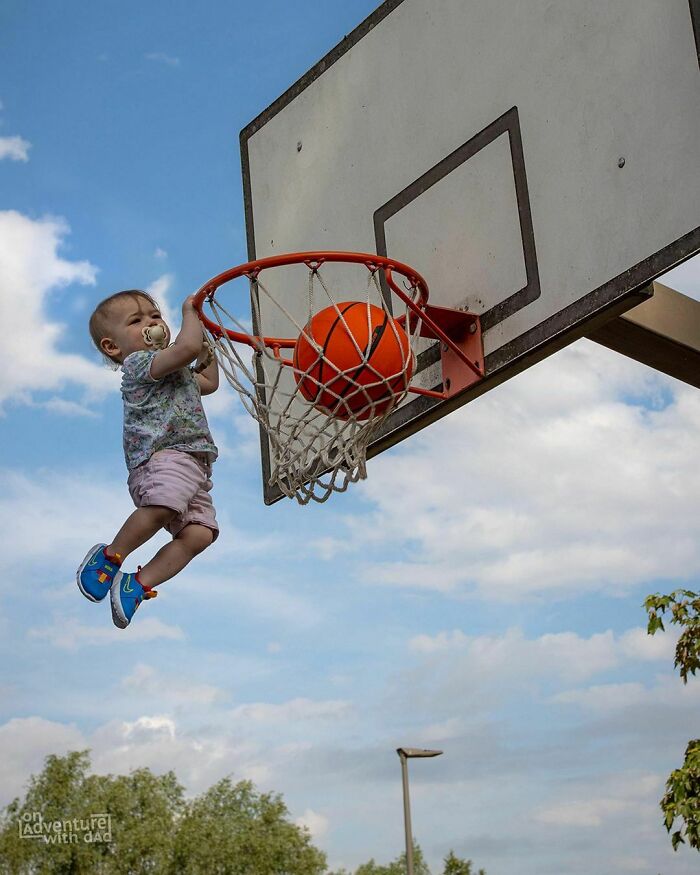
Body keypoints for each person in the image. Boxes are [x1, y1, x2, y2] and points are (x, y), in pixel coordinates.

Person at [77, 289, 219, 629]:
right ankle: (109, 557)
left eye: (155, 316)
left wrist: (207, 347)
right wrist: (191, 313)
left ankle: (136, 585)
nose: (152, 322)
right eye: (136, 320)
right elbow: (185, 349)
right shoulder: (139, 365)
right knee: (164, 505)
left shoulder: (177, 370)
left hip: (193, 467)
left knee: (200, 534)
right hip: (160, 458)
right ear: (113, 347)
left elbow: (209, 382)